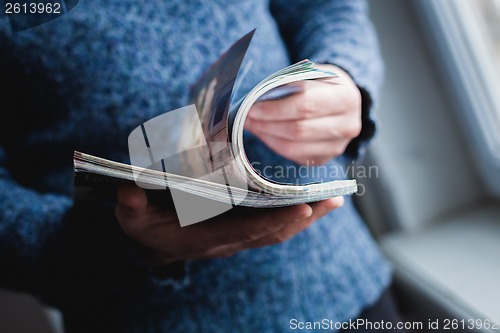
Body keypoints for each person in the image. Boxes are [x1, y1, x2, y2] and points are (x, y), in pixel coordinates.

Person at [0, 0, 402, 332]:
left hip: (342, 287)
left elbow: (326, 8)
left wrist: (344, 76)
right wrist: (111, 245)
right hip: (138, 315)